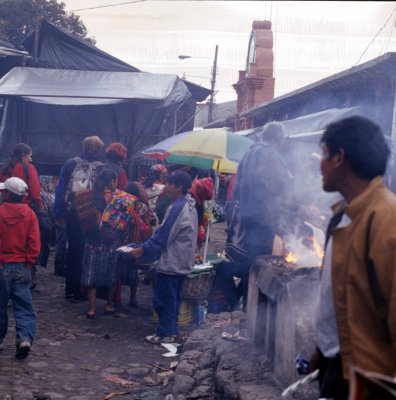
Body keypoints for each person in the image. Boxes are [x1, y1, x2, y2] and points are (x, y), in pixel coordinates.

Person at [311, 116, 396, 399]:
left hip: (370, 380)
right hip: (337, 365)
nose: (319, 164)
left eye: (324, 154)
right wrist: (321, 349)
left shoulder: (386, 221)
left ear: (339, 158)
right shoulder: (342, 216)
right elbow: (340, 296)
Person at [216, 121, 293, 311]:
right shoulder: (270, 154)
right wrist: (284, 224)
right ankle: (249, 309)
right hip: (261, 221)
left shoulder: (250, 153)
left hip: (245, 219)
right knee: (256, 267)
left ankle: (242, 303)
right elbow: (279, 191)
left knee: (247, 264)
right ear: (279, 140)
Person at [129, 171, 198, 344]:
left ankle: (165, 333)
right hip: (182, 260)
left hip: (173, 261)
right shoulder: (190, 206)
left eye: (170, 184)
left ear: (179, 187)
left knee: (164, 299)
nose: (166, 187)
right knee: (174, 298)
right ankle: (172, 331)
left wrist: (143, 250)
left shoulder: (178, 207)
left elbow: (164, 235)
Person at [53, 136, 104, 302]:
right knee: (86, 251)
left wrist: (58, 213)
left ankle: (70, 289)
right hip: (89, 213)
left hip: (71, 212)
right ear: (97, 150)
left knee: (73, 250)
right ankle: (80, 291)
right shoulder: (101, 168)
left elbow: (60, 189)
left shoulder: (71, 163)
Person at [0, 177, 40, 359]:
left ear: (8, 194)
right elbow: (34, 241)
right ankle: (24, 338)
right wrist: (29, 262)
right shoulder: (29, 214)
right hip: (23, 266)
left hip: (2, 265)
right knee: (24, 305)